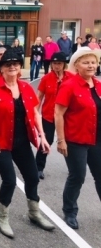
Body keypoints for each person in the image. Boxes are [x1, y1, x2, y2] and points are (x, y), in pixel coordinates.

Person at [0, 50, 54, 238]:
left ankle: (33, 212)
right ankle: (2, 216)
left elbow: (35, 112)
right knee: (10, 180)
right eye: (7, 64)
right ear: (1, 68)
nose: (12, 67)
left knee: (33, 177)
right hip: (0, 141)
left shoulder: (26, 87)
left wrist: (42, 135)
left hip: (21, 141)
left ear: (20, 67)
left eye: (16, 64)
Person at [55, 46, 101, 230]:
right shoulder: (69, 85)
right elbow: (58, 113)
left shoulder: (98, 85)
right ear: (77, 65)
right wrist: (61, 140)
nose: (90, 66)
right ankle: (70, 211)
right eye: (86, 62)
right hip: (76, 140)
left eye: (93, 62)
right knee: (78, 176)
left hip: (97, 139)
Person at [36, 52, 74, 180]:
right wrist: (35, 112)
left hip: (67, 117)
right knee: (47, 141)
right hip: (48, 115)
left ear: (64, 65)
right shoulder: (46, 78)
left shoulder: (71, 78)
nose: (56, 66)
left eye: (59, 63)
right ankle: (39, 168)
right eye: (54, 63)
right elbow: (40, 97)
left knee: (69, 141)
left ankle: (73, 168)